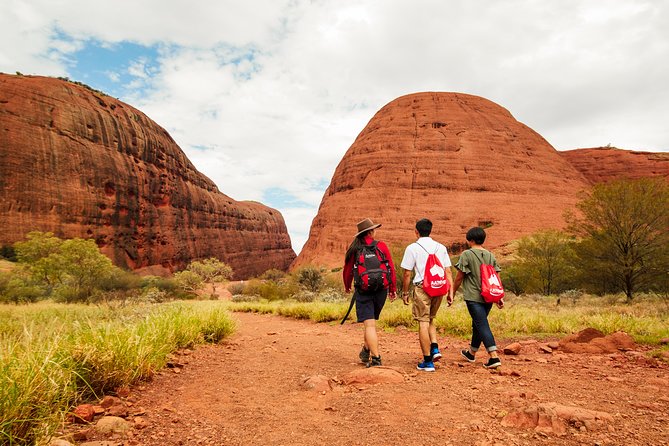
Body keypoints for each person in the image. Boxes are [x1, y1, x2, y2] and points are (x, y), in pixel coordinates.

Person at [399, 218, 454, 372]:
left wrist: (404, 292)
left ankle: (428, 361)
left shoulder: (412, 248)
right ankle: (435, 348)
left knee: (423, 321)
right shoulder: (441, 247)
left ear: (416, 231)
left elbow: (407, 273)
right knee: (431, 318)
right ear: (430, 231)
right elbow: (448, 270)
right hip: (439, 285)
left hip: (422, 287)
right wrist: (450, 291)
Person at [343, 218, 397, 367]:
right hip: (381, 290)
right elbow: (391, 268)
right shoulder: (382, 246)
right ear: (371, 231)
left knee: (369, 326)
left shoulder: (354, 249)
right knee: (371, 323)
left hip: (364, 291)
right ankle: (366, 350)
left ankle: (377, 358)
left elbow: (347, 271)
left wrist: (347, 286)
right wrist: (393, 289)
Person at [452, 227, 504, 369]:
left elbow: (459, 278)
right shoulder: (490, 255)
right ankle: (471, 353)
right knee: (478, 324)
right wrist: (499, 296)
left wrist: (452, 292)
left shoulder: (467, 254)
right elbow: (496, 276)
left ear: (471, 240)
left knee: (482, 324)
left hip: (473, 297)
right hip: (489, 296)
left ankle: (493, 356)